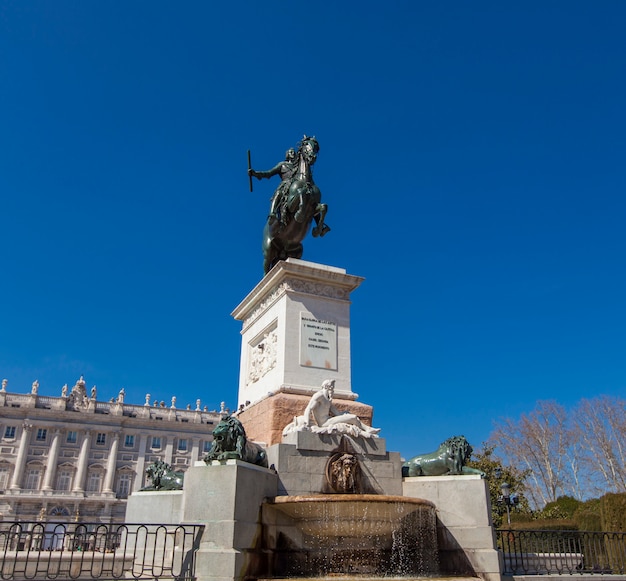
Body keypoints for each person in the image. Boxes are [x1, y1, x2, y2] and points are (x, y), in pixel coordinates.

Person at [303, 379, 380, 435]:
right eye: (332, 387)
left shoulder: (328, 399)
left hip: (328, 420)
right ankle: (367, 430)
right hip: (324, 423)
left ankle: (366, 430)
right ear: (327, 387)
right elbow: (308, 409)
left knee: (351, 417)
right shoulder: (319, 396)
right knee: (353, 417)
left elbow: (336, 413)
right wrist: (306, 423)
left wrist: (344, 414)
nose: (333, 389)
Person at [248, 148, 297, 225]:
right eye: (291, 152)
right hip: (285, 185)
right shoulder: (282, 165)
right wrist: (255, 173)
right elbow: (269, 173)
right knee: (278, 193)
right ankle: (272, 213)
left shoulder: (298, 167)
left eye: (294, 152)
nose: (293, 153)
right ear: (287, 154)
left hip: (297, 186)